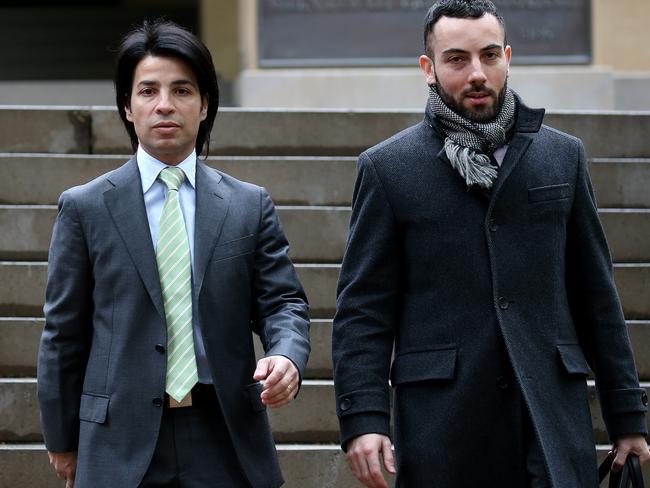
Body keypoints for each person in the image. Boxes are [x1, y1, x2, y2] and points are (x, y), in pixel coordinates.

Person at [331, 1, 649, 486]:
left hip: (548, 418)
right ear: (429, 69)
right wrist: (364, 419)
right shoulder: (387, 168)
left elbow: (596, 294)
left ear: (507, 57)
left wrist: (627, 415)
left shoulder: (562, 157)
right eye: (457, 59)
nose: (477, 73)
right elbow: (364, 309)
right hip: (445, 424)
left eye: (489, 56)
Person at [37, 20, 310, 488]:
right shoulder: (85, 207)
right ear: (127, 106)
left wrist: (287, 355)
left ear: (205, 105)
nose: (165, 104)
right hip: (118, 440)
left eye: (182, 90)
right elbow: (63, 332)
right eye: (148, 91)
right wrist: (61, 438)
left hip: (224, 432)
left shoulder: (248, 205)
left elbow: (284, 303)